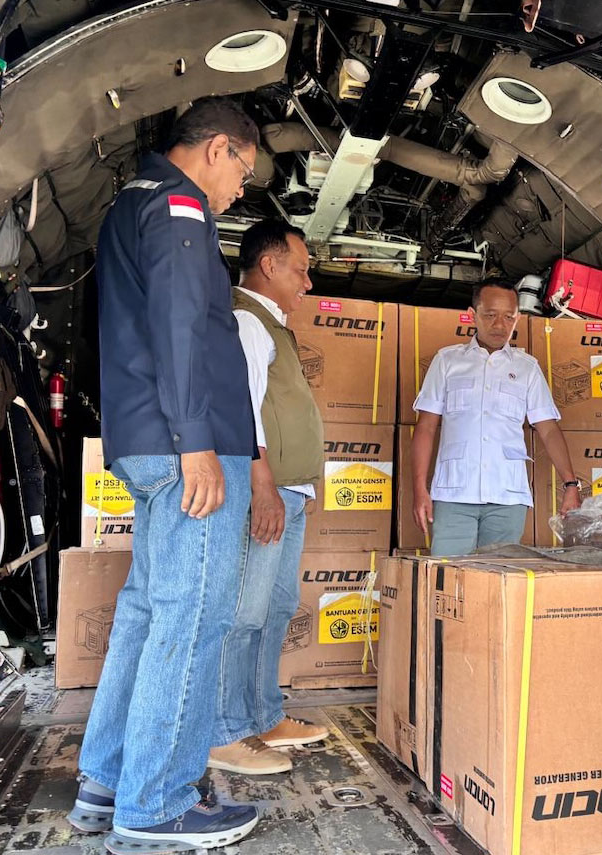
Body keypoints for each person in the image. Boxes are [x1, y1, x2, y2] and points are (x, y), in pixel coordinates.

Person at [67, 97, 262, 854]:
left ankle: (109, 779)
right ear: (217, 149)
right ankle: (157, 804)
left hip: (146, 441)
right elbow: (179, 326)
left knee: (149, 613)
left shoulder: (133, 200)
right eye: (242, 171)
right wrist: (196, 441)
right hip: (186, 446)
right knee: (192, 619)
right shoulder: (181, 207)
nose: (240, 189)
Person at [208, 220, 329, 775]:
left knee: (277, 607)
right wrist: (263, 487)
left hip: (288, 490)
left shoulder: (273, 326)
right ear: (269, 265)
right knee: (246, 611)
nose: (307, 282)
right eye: (301, 270)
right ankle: (225, 732)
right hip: (268, 489)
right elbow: (242, 411)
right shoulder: (247, 321)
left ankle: (263, 715)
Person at [411, 281, 581, 556]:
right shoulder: (447, 361)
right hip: (454, 494)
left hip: (508, 496)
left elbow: (548, 429)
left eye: (509, 317)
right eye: (490, 315)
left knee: (499, 575)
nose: (500, 325)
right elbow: (426, 427)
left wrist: (571, 485)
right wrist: (419, 489)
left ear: (518, 318)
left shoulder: (527, 369)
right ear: (472, 315)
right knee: (449, 574)